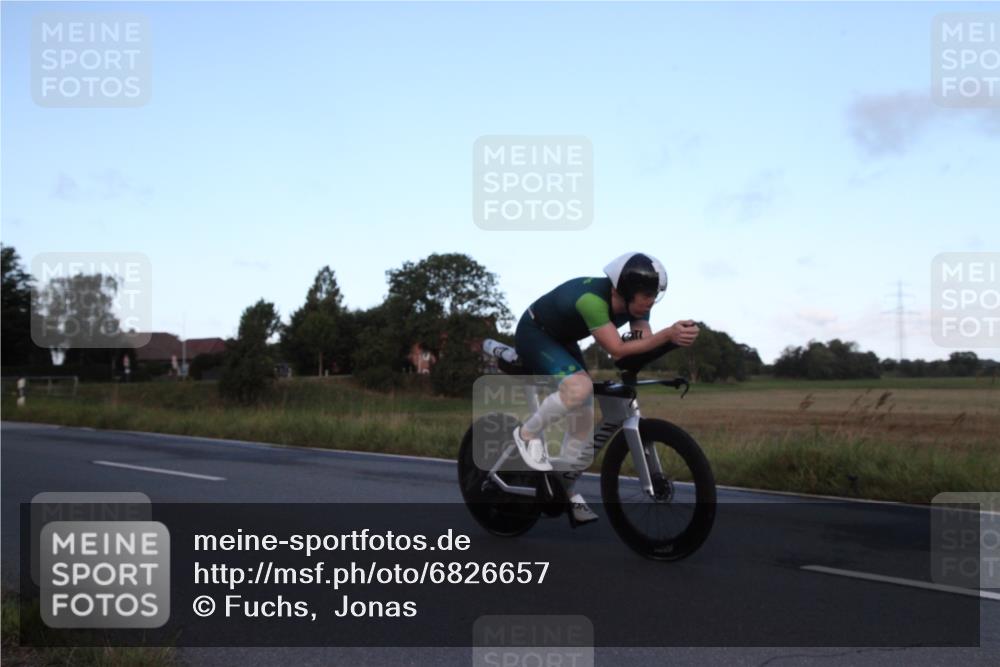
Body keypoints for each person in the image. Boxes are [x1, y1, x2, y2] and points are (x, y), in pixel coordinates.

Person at [511, 252, 700, 524]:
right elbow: (617, 349)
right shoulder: (592, 301)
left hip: (563, 339)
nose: (650, 301)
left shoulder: (638, 305)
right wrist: (668, 334)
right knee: (579, 388)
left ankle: (564, 487)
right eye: (647, 294)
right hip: (535, 334)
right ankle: (525, 434)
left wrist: (673, 342)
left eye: (655, 295)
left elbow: (637, 350)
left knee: (583, 415)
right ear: (624, 290)